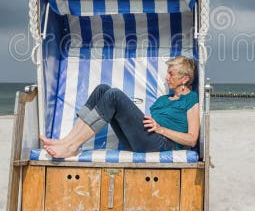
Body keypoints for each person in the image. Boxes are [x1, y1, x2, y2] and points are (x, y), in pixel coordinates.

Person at [40, 56, 200, 158]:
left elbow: (192, 139)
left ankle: (72, 146)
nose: (167, 77)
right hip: (143, 140)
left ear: (185, 79)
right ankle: (67, 141)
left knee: (114, 95)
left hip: (162, 144)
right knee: (102, 89)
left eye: (171, 74)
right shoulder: (163, 99)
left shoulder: (191, 99)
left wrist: (161, 129)